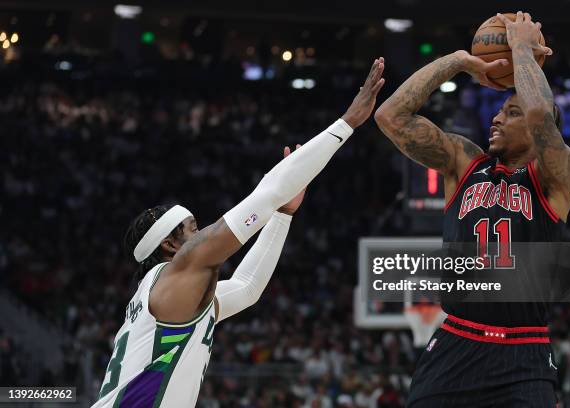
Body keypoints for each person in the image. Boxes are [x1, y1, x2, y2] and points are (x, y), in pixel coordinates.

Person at [92, 58, 385, 408]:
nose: (201, 236)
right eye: (193, 229)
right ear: (170, 244)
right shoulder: (177, 273)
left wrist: (284, 215)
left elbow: (247, 289)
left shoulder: (175, 298)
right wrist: (346, 124)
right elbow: (265, 194)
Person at [375, 12, 570, 407]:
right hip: (456, 342)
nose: (498, 117)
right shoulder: (465, 162)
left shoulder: (558, 173)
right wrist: (458, 61)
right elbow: (391, 116)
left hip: (524, 352)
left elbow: (541, 115)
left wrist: (521, 48)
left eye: (512, 113)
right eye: (501, 110)